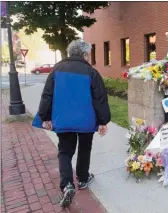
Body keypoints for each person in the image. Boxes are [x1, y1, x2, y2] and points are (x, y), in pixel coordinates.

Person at [37, 39, 111, 207]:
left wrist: (45, 117)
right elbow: (99, 98)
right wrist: (102, 121)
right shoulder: (91, 72)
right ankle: (83, 179)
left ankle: (67, 184)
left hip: (63, 120)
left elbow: (47, 95)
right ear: (84, 54)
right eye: (88, 55)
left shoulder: (56, 70)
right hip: (86, 120)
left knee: (65, 151)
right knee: (84, 149)